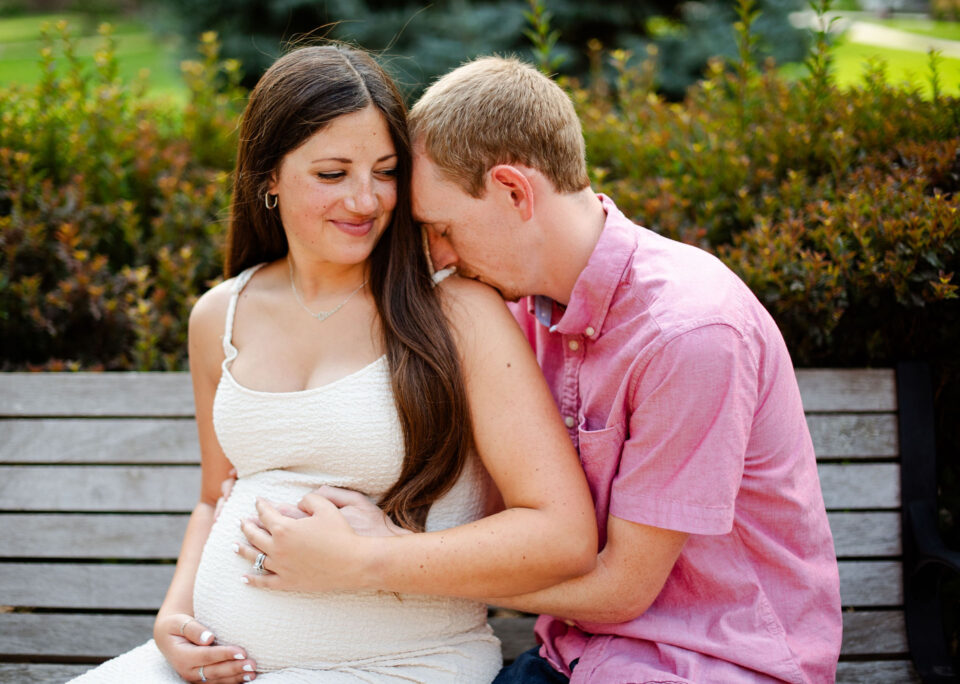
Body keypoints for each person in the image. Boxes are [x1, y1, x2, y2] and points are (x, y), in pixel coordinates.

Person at [240, 56, 843, 683]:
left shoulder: (691, 334)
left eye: (442, 228)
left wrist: (374, 558)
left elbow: (621, 590)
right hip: (571, 660)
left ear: (513, 191)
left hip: (716, 665)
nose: (438, 258)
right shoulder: (522, 312)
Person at [69, 46, 596, 684]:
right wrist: (175, 618)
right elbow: (216, 496)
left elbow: (559, 530)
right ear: (268, 176)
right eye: (332, 174)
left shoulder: (456, 310)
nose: (366, 200)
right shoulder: (219, 316)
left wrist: (368, 557)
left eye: (386, 170)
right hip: (215, 665)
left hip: (399, 664)